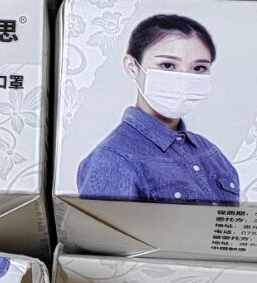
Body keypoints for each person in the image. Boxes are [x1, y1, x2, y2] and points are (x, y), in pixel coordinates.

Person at [77, 13, 241, 205]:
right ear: (132, 67)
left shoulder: (210, 152)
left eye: (199, 68)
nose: (184, 79)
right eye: (168, 65)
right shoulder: (112, 159)